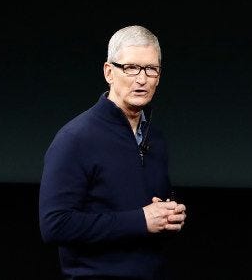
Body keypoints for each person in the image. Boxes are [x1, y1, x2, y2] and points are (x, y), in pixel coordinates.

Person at [39, 25, 186, 279]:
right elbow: (55, 225)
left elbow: (143, 209)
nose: (142, 79)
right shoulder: (75, 138)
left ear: (159, 76)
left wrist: (167, 215)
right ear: (109, 72)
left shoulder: (155, 137)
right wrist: (140, 220)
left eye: (151, 69)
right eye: (130, 68)